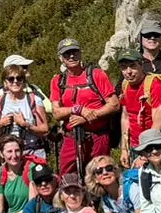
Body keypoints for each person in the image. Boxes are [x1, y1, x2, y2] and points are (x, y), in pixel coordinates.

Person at [50, 38, 119, 175]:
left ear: (80, 53)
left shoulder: (96, 75)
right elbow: (56, 113)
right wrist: (78, 109)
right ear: (60, 58)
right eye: (66, 53)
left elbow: (114, 105)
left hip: (98, 136)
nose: (71, 56)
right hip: (72, 138)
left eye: (74, 52)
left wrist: (88, 117)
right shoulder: (58, 81)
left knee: (101, 174)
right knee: (68, 176)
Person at [0, 54, 51, 155]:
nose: (15, 82)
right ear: (5, 82)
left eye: (19, 78)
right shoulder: (0, 101)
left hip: (33, 151)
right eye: (11, 79)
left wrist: (25, 125)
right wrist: (1, 124)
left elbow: (45, 129)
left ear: (23, 81)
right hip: (10, 155)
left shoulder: (34, 99)